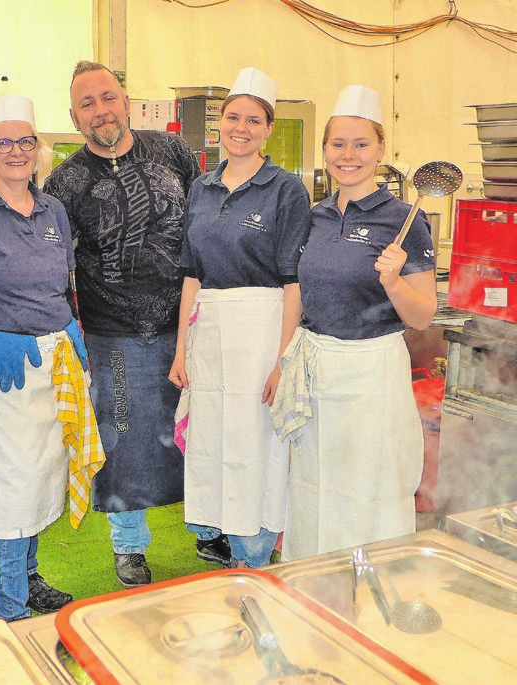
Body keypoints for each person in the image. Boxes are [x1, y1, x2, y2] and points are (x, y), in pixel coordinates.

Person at [44, 60, 227, 589]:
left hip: (186, 323)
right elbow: (56, 259)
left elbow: (205, 224)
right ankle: (129, 545)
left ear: (126, 101)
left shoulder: (171, 153)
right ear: (75, 118)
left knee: (198, 427)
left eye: (108, 97)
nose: (101, 110)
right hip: (113, 331)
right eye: (87, 104)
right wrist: (66, 324)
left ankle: (210, 526)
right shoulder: (66, 182)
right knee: (121, 438)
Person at [0, 92, 103, 622]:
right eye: (3, 143)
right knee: (9, 484)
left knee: (41, 474)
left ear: (38, 149)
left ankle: (29, 580)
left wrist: (74, 338)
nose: (15, 151)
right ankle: (8, 607)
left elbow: (64, 287)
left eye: (24, 141)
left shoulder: (53, 209)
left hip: (54, 359)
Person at [274, 85, 437, 560]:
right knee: (313, 480)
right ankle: (313, 575)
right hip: (316, 366)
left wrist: (393, 282)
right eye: (338, 145)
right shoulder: (316, 216)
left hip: (371, 373)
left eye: (361, 144)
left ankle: (371, 580)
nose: (348, 156)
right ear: (324, 151)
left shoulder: (405, 219)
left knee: (368, 481)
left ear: (381, 149)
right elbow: (300, 293)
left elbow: (422, 315)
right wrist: (284, 360)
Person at [169, 68, 311, 569]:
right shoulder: (202, 187)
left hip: (262, 328)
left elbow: (294, 281)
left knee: (258, 444)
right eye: (233, 117)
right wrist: (181, 350)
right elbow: (190, 273)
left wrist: (283, 359)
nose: (242, 127)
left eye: (254, 119)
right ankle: (230, 551)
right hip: (208, 329)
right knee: (214, 442)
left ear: (269, 128)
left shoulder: (286, 190)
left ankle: (255, 559)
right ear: (220, 124)